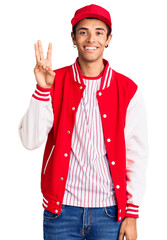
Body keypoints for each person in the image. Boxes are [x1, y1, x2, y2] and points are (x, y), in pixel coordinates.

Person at [19, 4, 148, 240]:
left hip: (110, 214)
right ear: (73, 38)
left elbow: (136, 155)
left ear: (109, 39)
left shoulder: (127, 90)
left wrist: (132, 212)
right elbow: (30, 140)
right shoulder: (54, 81)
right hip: (61, 211)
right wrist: (42, 89)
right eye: (83, 31)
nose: (91, 39)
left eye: (99, 32)